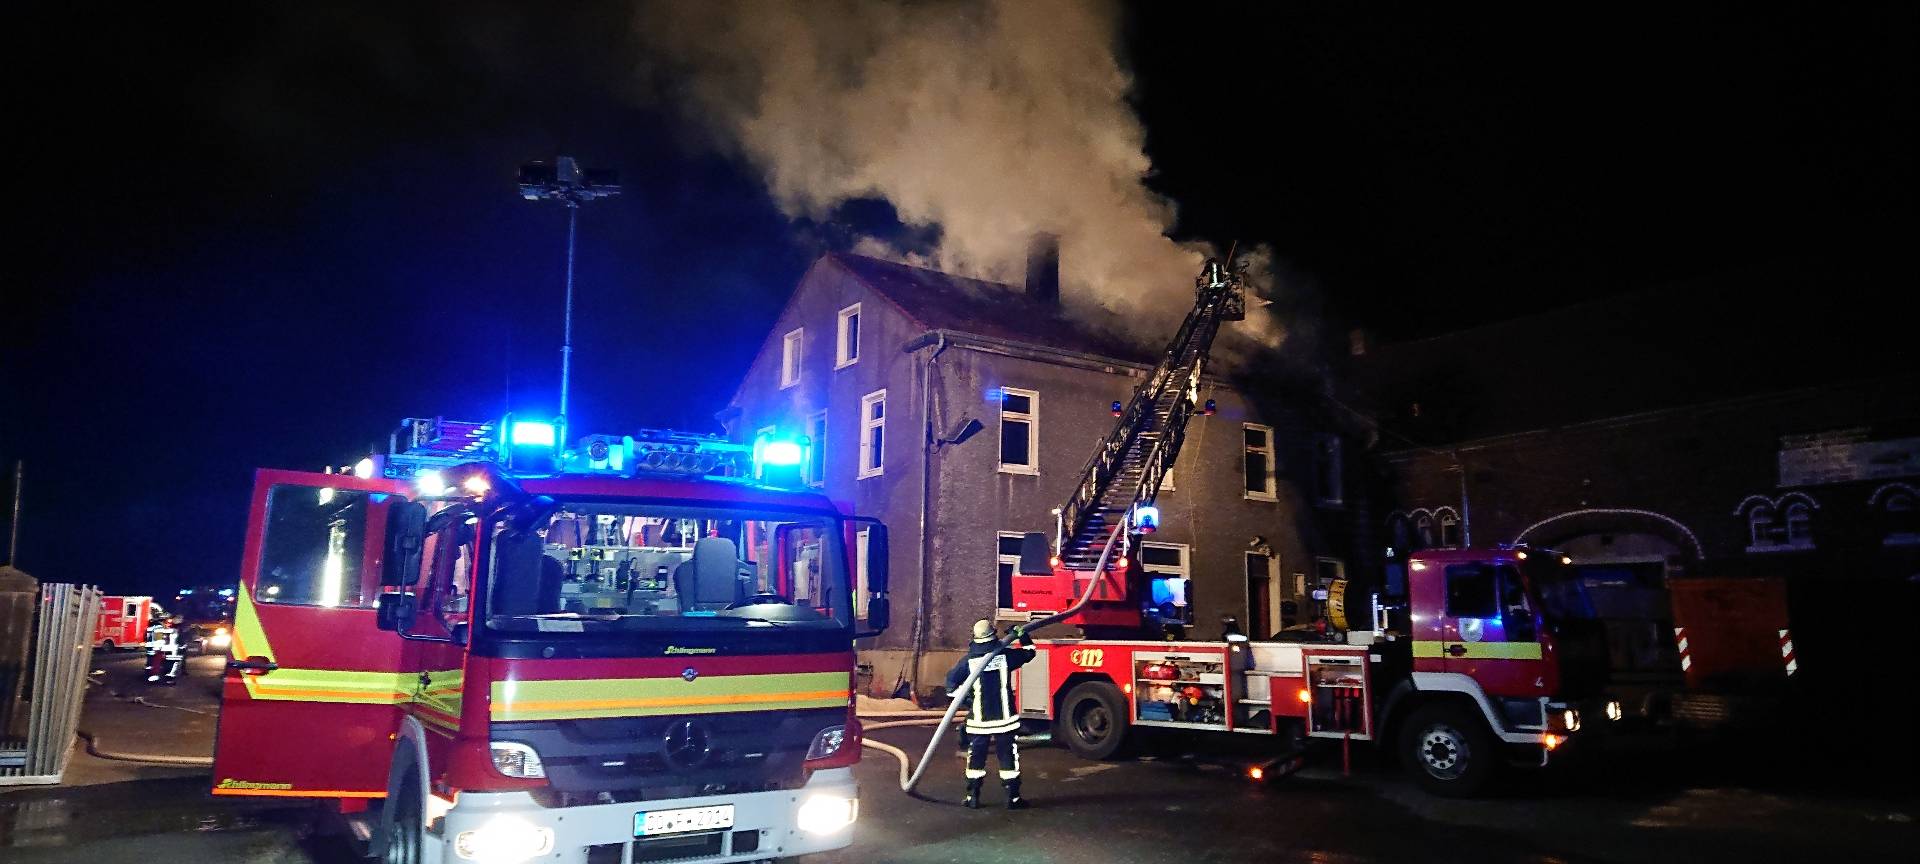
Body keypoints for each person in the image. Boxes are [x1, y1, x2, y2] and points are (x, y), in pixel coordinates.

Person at [944, 619, 1036, 809]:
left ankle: (972, 797)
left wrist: (969, 699)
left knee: (976, 759)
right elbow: (1030, 653)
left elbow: (950, 687)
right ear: (993, 636)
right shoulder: (1005, 656)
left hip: (979, 722)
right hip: (1005, 721)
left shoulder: (968, 662)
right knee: (1008, 758)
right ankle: (1013, 798)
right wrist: (1022, 635)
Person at [145, 616, 184, 685]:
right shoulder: (173, 631)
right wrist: (182, 647)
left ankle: (155, 677)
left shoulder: (154, 629)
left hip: (157, 650)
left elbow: (150, 639)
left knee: (155, 664)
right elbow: (180, 641)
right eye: (165, 622)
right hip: (171, 652)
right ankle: (168, 679)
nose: (166, 624)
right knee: (171, 667)